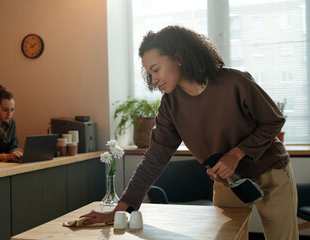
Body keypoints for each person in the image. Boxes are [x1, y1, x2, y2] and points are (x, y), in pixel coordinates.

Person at [80, 26, 298, 240]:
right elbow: (153, 160)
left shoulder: (234, 82)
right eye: (149, 73)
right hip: (228, 182)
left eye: (156, 69)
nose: (153, 79)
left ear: (178, 57)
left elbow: (273, 121)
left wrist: (235, 154)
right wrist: (118, 212)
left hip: (271, 173)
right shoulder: (170, 105)